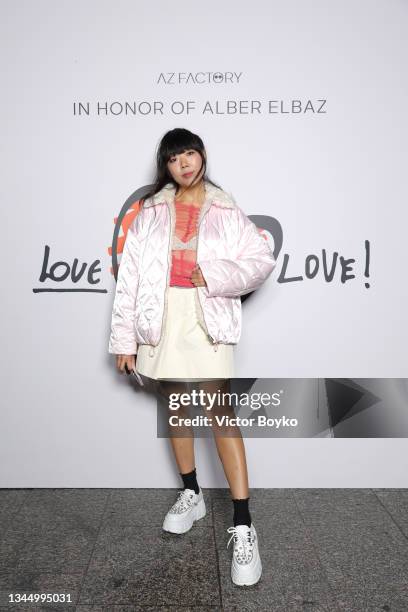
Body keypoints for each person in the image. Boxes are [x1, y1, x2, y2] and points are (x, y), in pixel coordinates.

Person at [108, 127, 276, 586]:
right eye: (173, 159)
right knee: (177, 408)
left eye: (190, 154)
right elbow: (131, 278)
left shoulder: (224, 207)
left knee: (221, 413)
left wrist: (216, 274)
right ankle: (192, 494)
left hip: (207, 318)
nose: (184, 164)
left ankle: (243, 523)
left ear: (202, 156)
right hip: (161, 318)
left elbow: (261, 260)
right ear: (165, 166)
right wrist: (124, 339)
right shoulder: (152, 211)